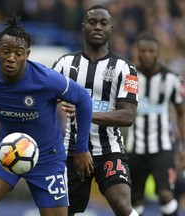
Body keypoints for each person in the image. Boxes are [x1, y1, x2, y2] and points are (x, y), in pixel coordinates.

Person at [0, 13, 94, 216]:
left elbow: (83, 97)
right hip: (8, 151)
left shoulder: (47, 80)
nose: (11, 58)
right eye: (6, 51)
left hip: (47, 157)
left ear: (27, 54)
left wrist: (81, 149)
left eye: (18, 53)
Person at [52, 5, 139, 216]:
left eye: (103, 23)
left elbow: (128, 116)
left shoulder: (126, 69)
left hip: (109, 150)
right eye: (92, 22)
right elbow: (44, 104)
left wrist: (85, 112)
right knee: (60, 212)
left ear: (111, 28)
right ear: (83, 27)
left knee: (123, 206)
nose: (97, 27)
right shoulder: (64, 64)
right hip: (69, 152)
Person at [125, 34, 185, 216]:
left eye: (151, 51)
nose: (147, 55)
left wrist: (183, 147)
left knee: (166, 194)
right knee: (135, 200)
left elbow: (181, 114)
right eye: (143, 51)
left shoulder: (173, 79)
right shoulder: (129, 78)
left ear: (158, 53)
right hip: (134, 147)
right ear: (137, 53)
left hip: (163, 147)